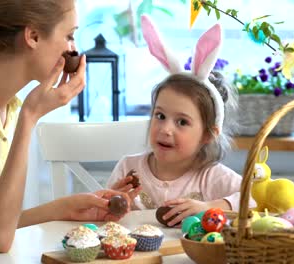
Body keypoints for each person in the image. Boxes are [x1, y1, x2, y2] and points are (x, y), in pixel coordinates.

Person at [0, 1, 130, 263]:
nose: (74, 49)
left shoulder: (8, 107)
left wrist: (63, 208)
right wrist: (30, 118)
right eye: (69, 36)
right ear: (33, 36)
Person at [107, 15, 254, 227]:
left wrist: (210, 206)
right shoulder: (128, 168)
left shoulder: (210, 176)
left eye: (182, 122)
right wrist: (114, 203)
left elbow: (255, 199)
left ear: (208, 134)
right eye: (160, 116)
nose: (165, 129)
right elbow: (106, 219)